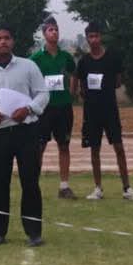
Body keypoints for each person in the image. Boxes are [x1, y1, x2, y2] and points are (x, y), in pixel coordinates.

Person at [0, 24, 49, 246]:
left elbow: (43, 94)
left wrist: (29, 109)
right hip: (0, 135)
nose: (3, 41)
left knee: (30, 182)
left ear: (13, 41)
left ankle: (34, 233)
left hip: (27, 133)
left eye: (6, 37)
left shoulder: (28, 66)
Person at [75, 22, 133, 201]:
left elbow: (118, 82)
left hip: (110, 110)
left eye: (96, 36)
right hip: (91, 112)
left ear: (101, 36)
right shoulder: (84, 62)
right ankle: (98, 188)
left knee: (119, 147)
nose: (94, 40)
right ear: (87, 39)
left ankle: (127, 188)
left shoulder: (112, 58)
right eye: (91, 36)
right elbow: (81, 86)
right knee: (94, 149)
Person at [30, 17, 78, 199]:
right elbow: (28, 79)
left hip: (64, 108)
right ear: (44, 34)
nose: (54, 32)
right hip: (44, 109)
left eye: (56, 29)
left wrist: (72, 93)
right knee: (39, 147)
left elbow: (74, 73)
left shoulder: (66, 57)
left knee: (64, 146)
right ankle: (33, 186)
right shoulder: (36, 58)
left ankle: (64, 187)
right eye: (50, 30)